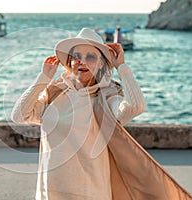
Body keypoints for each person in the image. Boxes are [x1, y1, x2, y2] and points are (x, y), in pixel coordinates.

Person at [11, 28, 192, 200]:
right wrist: (43, 78)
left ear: (100, 65)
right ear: (69, 62)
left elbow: (136, 106)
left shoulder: (107, 97)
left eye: (90, 57)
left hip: (90, 192)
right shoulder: (55, 93)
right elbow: (19, 115)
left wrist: (121, 67)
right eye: (76, 56)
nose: (81, 61)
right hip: (50, 190)